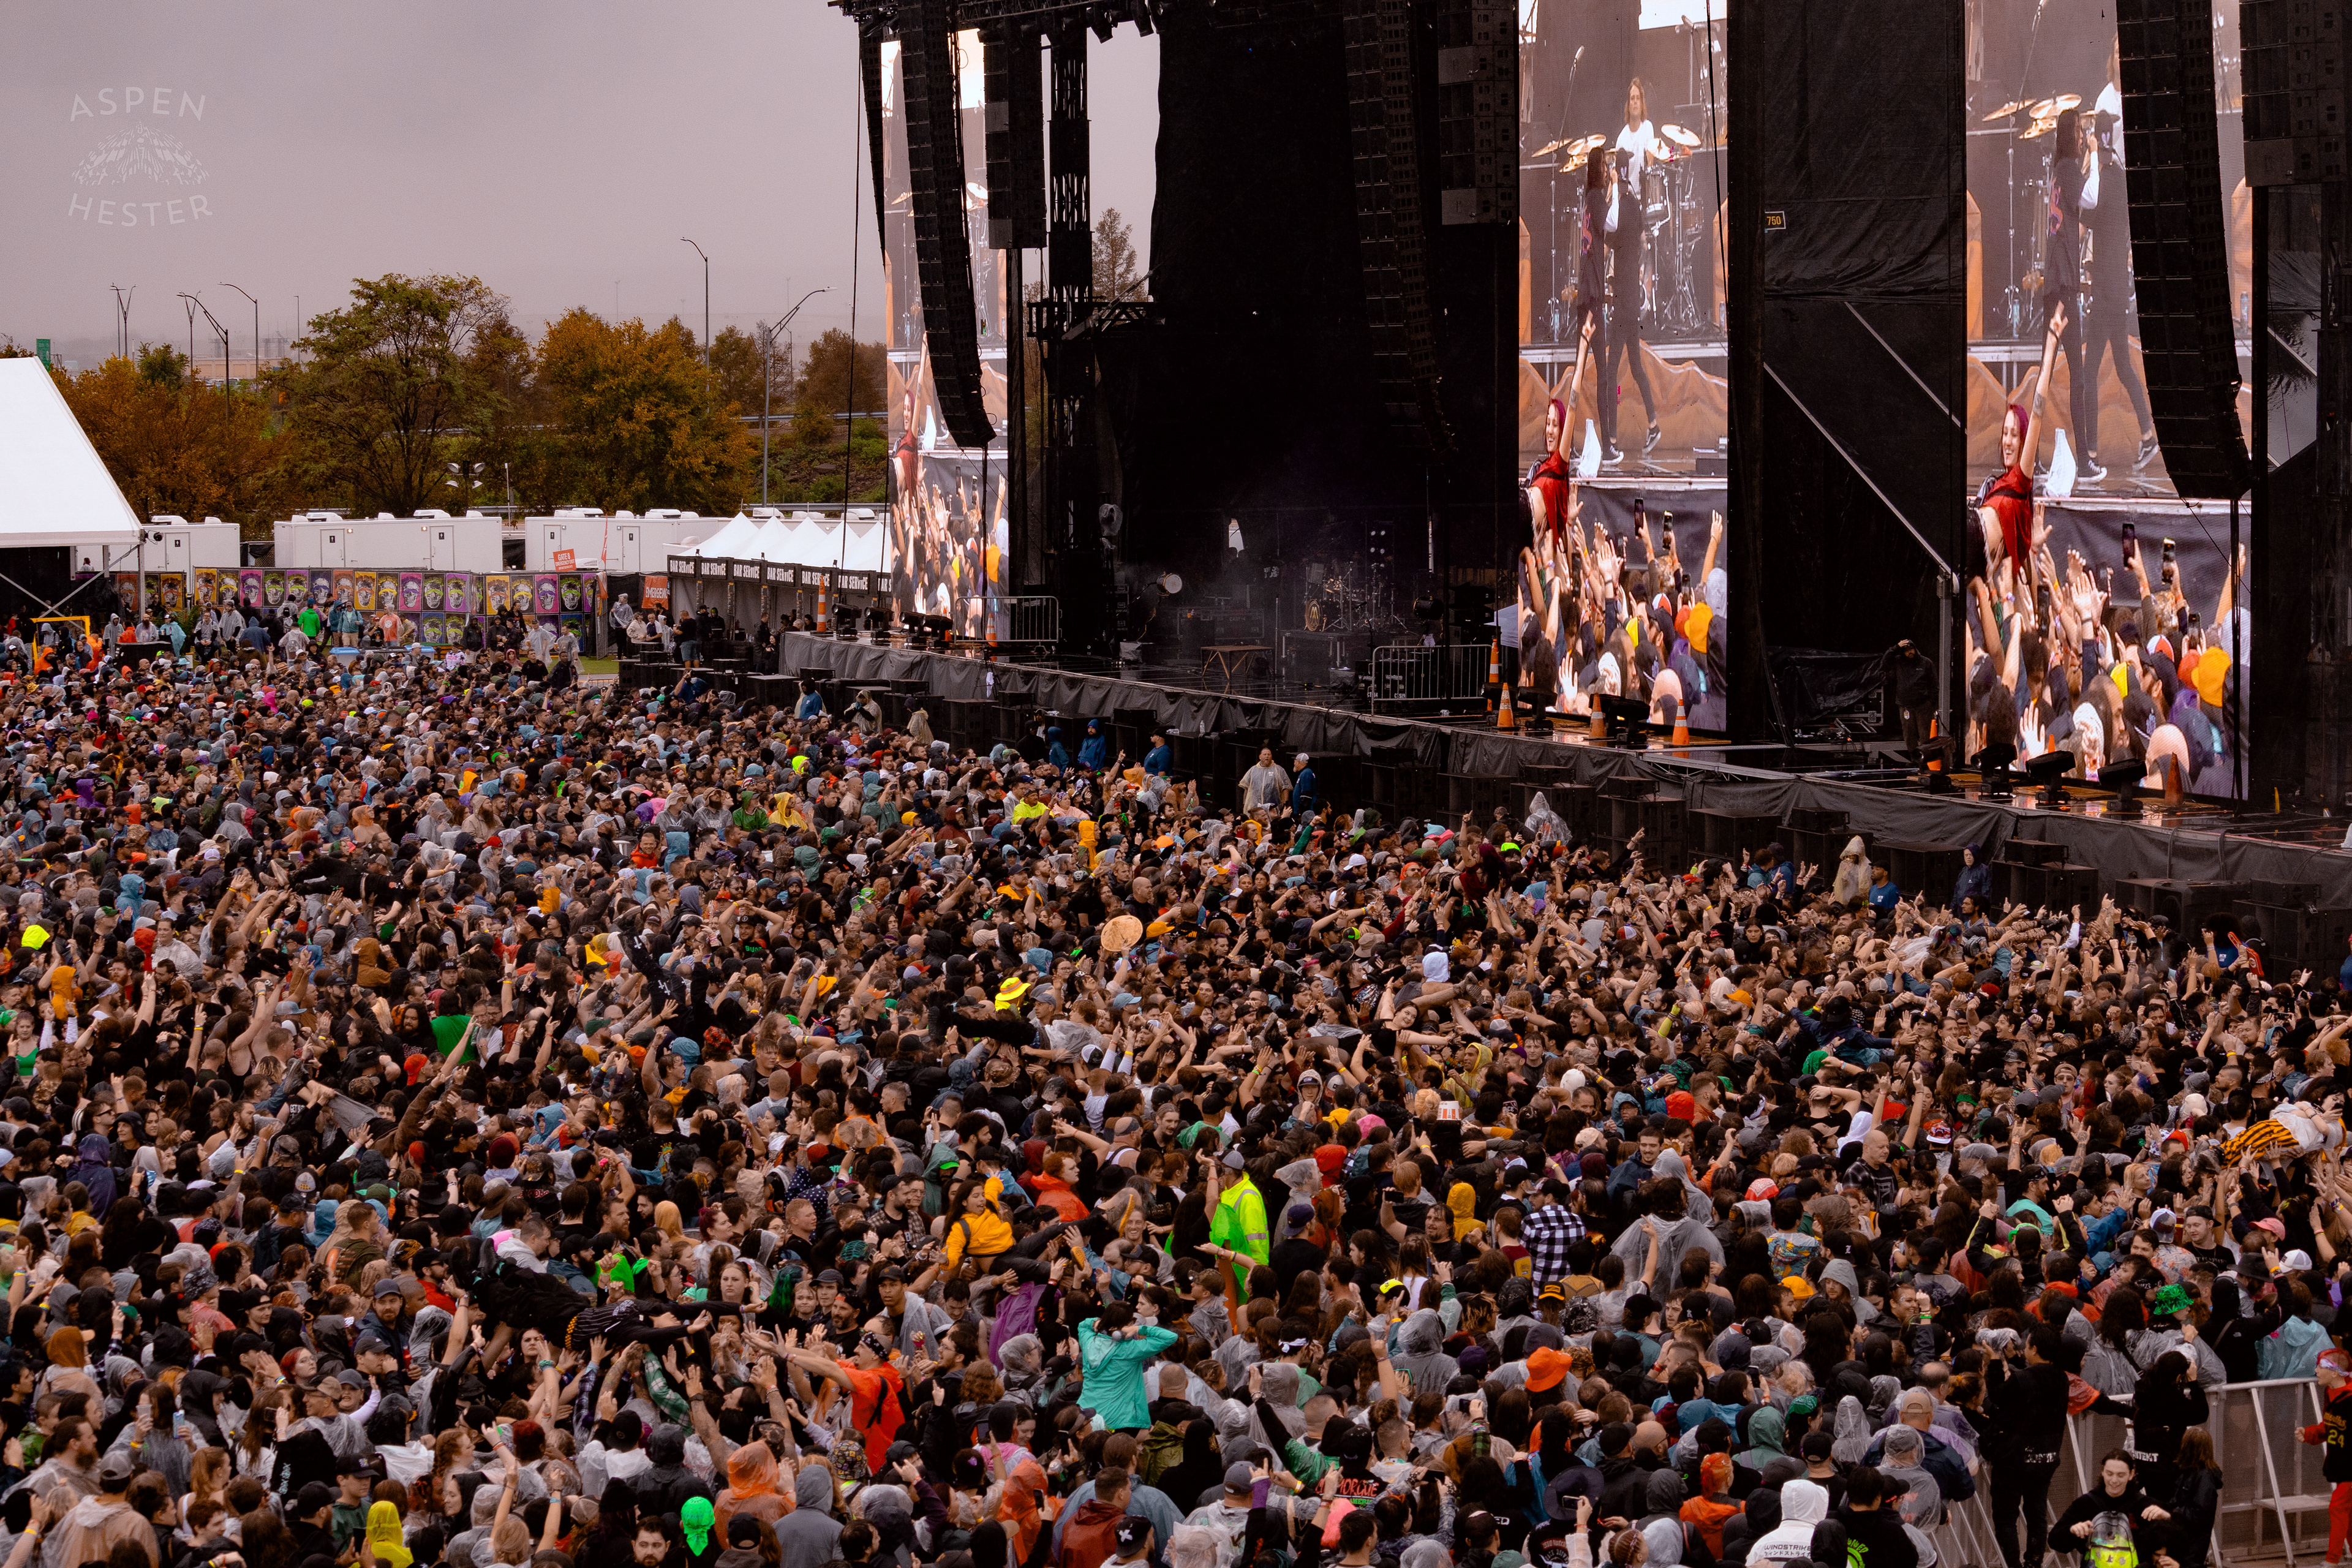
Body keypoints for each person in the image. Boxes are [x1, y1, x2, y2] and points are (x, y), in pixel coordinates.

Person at [1599, 80, 1663, 464]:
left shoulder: (1623, 209)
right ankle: (1652, 425)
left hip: (1624, 302)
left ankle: (1610, 440)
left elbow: (1607, 234)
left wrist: (1608, 193)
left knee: (1612, 371)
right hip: (1628, 299)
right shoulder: (1632, 209)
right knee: (1634, 366)